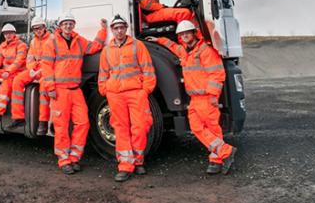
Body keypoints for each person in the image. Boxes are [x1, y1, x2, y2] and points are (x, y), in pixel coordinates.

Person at [146, 21, 237, 175]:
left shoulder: (205, 51)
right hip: (195, 99)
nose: (185, 36)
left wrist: (214, 95)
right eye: (181, 34)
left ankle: (216, 161)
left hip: (207, 98)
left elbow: (217, 74)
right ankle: (225, 151)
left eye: (187, 33)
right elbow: (173, 46)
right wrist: (159, 40)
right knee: (196, 127)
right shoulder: (185, 51)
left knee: (212, 129)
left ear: (194, 33)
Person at [40, 14, 107, 175]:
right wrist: (50, 88)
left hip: (75, 90)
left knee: (83, 123)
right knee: (61, 127)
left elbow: (94, 47)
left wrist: (103, 31)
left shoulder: (79, 41)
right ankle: (64, 160)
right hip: (60, 90)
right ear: (60, 26)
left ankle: (75, 157)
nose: (68, 26)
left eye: (70, 23)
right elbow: (46, 66)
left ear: (74, 25)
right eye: (65, 24)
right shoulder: (52, 42)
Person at [98, 14, 156, 182]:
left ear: (126, 28)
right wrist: (105, 90)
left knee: (141, 125)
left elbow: (148, 69)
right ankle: (125, 165)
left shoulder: (137, 46)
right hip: (115, 94)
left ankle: (138, 161)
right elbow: (103, 73)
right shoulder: (107, 51)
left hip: (136, 92)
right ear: (112, 30)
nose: (119, 31)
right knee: (120, 128)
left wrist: (145, 90)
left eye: (122, 27)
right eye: (116, 28)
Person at [7, 17, 51, 133]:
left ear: (44, 27)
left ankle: (43, 122)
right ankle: (18, 118)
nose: (38, 30)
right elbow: (30, 58)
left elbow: (53, 61)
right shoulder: (33, 42)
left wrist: (40, 72)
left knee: (43, 86)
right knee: (17, 80)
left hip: (48, 70)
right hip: (35, 69)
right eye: (35, 29)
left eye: (39, 27)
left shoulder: (52, 39)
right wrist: (31, 69)